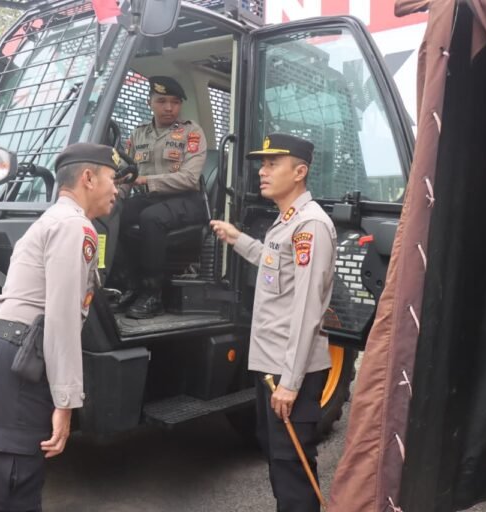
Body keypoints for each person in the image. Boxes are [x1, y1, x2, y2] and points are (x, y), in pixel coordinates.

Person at [0, 143, 119, 512]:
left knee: (2, 493)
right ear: (88, 178)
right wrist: (66, 403)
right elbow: (62, 318)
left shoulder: (49, 221)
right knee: (13, 497)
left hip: (0, 359)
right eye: (111, 179)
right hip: (21, 367)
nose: (116, 189)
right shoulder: (75, 226)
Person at [210, 133, 335, 512]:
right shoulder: (287, 222)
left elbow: (306, 310)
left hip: (287, 370)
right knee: (279, 460)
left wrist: (290, 383)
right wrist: (238, 239)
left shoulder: (310, 226)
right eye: (262, 164)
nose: (261, 172)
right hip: (271, 366)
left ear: (300, 171)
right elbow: (273, 264)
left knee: (291, 466)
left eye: (271, 164)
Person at [117, 76, 208, 319]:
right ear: (150, 103)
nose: (169, 108)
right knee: (116, 214)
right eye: (162, 101)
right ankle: (130, 284)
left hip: (187, 200)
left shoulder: (191, 132)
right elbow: (127, 176)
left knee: (151, 218)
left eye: (175, 102)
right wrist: (114, 199)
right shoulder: (137, 135)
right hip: (152, 198)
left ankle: (152, 293)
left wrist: (147, 181)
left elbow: (189, 178)